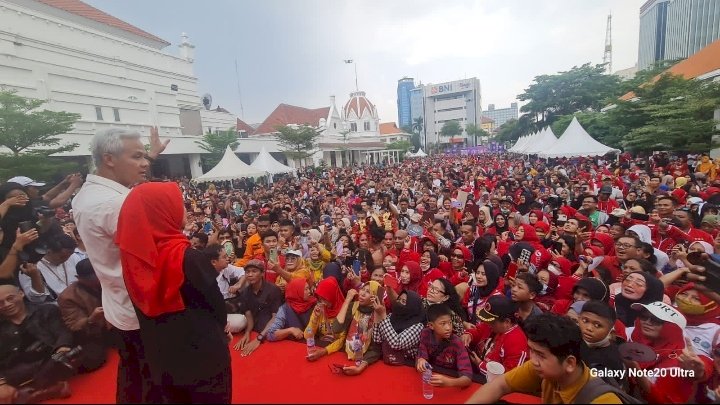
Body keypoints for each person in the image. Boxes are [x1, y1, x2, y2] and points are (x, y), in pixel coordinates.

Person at [72, 127, 168, 403]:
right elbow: (157, 255)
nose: (145, 163)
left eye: (145, 157)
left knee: (133, 374)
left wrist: (147, 155)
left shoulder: (87, 194)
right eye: (137, 157)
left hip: (120, 302)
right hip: (142, 307)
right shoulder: (116, 204)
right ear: (109, 159)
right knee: (152, 382)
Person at [116, 182, 231, 403]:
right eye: (180, 205)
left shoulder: (132, 261)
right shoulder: (189, 258)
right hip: (203, 357)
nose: (185, 210)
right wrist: (221, 329)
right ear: (163, 211)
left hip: (161, 359)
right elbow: (216, 303)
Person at [465, 313, 624, 404]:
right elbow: (499, 385)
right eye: (531, 351)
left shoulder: (603, 401)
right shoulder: (541, 368)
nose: (532, 359)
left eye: (540, 354)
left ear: (569, 363)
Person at [0, 283, 75, 403]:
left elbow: (62, 332)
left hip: (50, 358)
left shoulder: (46, 310)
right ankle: (42, 392)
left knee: (64, 357)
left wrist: (62, 347)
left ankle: (26, 394)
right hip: (17, 368)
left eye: (10, 298)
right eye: (0, 303)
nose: (6, 305)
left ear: (21, 294)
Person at [57, 258, 110, 373]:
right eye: (91, 279)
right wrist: (91, 319)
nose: (96, 281)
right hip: (92, 332)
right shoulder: (67, 297)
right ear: (79, 278)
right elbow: (74, 325)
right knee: (93, 360)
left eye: (97, 277)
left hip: (115, 323)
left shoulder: (108, 280)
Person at [466, 295, 529, 377]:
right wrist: (469, 335)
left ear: (507, 322)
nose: (487, 324)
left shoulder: (516, 341)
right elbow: (479, 330)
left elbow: (510, 377)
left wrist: (480, 364)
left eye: (491, 322)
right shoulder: (494, 325)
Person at [232, 259, 283, 357]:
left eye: (254, 271)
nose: (250, 275)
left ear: (262, 273)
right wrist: (247, 333)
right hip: (255, 330)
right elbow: (249, 316)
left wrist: (259, 338)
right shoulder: (245, 293)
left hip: (272, 332)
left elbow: (275, 317)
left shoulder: (273, 290)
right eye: (247, 272)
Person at [333, 281, 384, 376]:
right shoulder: (354, 306)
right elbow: (336, 328)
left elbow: (376, 350)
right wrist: (347, 300)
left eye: (368, 292)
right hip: (345, 355)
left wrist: (360, 368)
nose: (362, 293)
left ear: (374, 297)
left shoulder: (378, 313)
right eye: (362, 289)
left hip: (366, 361)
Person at [416, 304, 473, 389]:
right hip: (432, 380)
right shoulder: (425, 334)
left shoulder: (457, 343)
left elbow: (467, 378)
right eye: (443, 324)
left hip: (449, 381)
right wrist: (420, 361)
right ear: (431, 325)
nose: (448, 328)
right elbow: (422, 357)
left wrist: (449, 382)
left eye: (450, 323)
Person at [576, 300, 626, 389]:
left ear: (611, 331)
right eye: (585, 321)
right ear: (578, 319)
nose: (589, 328)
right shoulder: (574, 341)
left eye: (597, 325)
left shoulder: (612, 359)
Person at [373, 290, 425, 365]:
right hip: (386, 360)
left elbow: (396, 344)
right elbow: (377, 339)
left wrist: (383, 315)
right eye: (399, 300)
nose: (399, 303)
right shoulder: (392, 316)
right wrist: (377, 313)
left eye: (403, 301)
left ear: (412, 306)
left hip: (406, 365)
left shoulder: (418, 326)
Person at [305, 277, 347, 361]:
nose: (322, 302)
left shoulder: (344, 311)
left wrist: (323, 351)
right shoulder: (319, 309)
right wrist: (315, 319)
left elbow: (341, 340)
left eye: (324, 298)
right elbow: (307, 334)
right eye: (320, 299)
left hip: (336, 351)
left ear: (332, 296)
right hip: (320, 346)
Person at [265, 278, 315, 343]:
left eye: (309, 288)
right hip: (296, 344)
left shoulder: (314, 304)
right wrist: (290, 330)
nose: (309, 291)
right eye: (306, 289)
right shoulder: (285, 309)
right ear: (297, 291)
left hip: (313, 343)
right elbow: (270, 335)